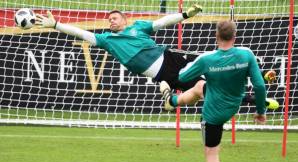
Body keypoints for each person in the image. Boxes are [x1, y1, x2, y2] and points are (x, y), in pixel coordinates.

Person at [35, 6, 278, 109]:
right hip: (164, 73)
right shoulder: (108, 40)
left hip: (170, 56)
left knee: (217, 62)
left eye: (115, 17)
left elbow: (161, 22)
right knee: (207, 88)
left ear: (125, 20)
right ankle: (256, 99)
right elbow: (83, 33)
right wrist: (56, 24)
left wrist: (183, 15)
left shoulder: (138, 27)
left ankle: (258, 81)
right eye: (109, 19)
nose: (111, 20)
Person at [160, 20, 269, 162]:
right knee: (199, 87)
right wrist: (261, 111)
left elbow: (182, 77)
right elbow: (260, 86)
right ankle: (172, 101)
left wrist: (195, 64)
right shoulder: (247, 54)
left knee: (211, 153)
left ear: (216, 35)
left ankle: (171, 101)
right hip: (232, 105)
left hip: (213, 115)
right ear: (235, 36)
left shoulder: (206, 59)